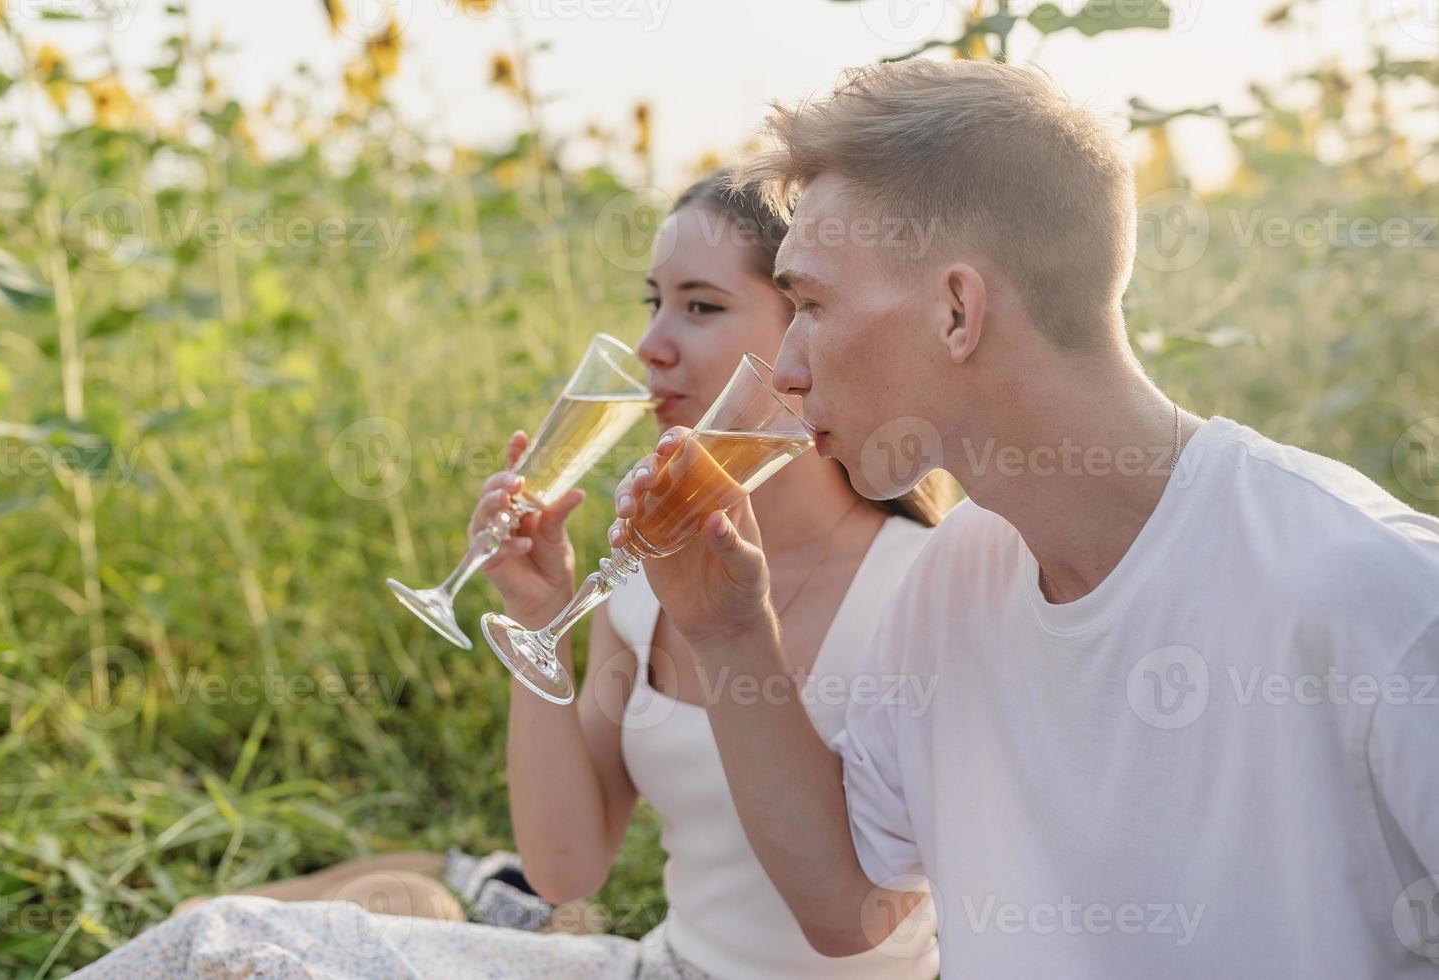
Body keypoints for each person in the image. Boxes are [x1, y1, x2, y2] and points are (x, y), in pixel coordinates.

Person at [608, 60, 1439, 978]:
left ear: (957, 310)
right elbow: (847, 906)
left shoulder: (1372, 596)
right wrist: (727, 631)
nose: (787, 365)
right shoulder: (953, 579)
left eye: (808, 304)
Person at [69, 172, 954, 979]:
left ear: (807, 325)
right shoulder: (645, 577)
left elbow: (883, 918)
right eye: (653, 301)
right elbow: (565, 867)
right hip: (656, 968)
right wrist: (540, 620)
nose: (650, 344)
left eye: (700, 306)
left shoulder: (920, 590)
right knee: (226, 943)